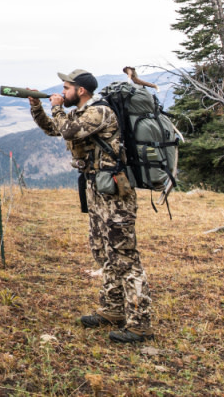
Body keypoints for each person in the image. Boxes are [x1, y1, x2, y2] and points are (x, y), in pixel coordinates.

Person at [29, 69, 154, 343]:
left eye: (66, 88)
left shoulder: (99, 113)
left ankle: (140, 322)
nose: (63, 93)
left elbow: (68, 129)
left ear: (81, 91)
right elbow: (54, 129)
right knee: (104, 250)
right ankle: (112, 310)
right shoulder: (81, 113)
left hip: (114, 194)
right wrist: (38, 109)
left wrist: (55, 107)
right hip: (97, 189)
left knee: (124, 255)